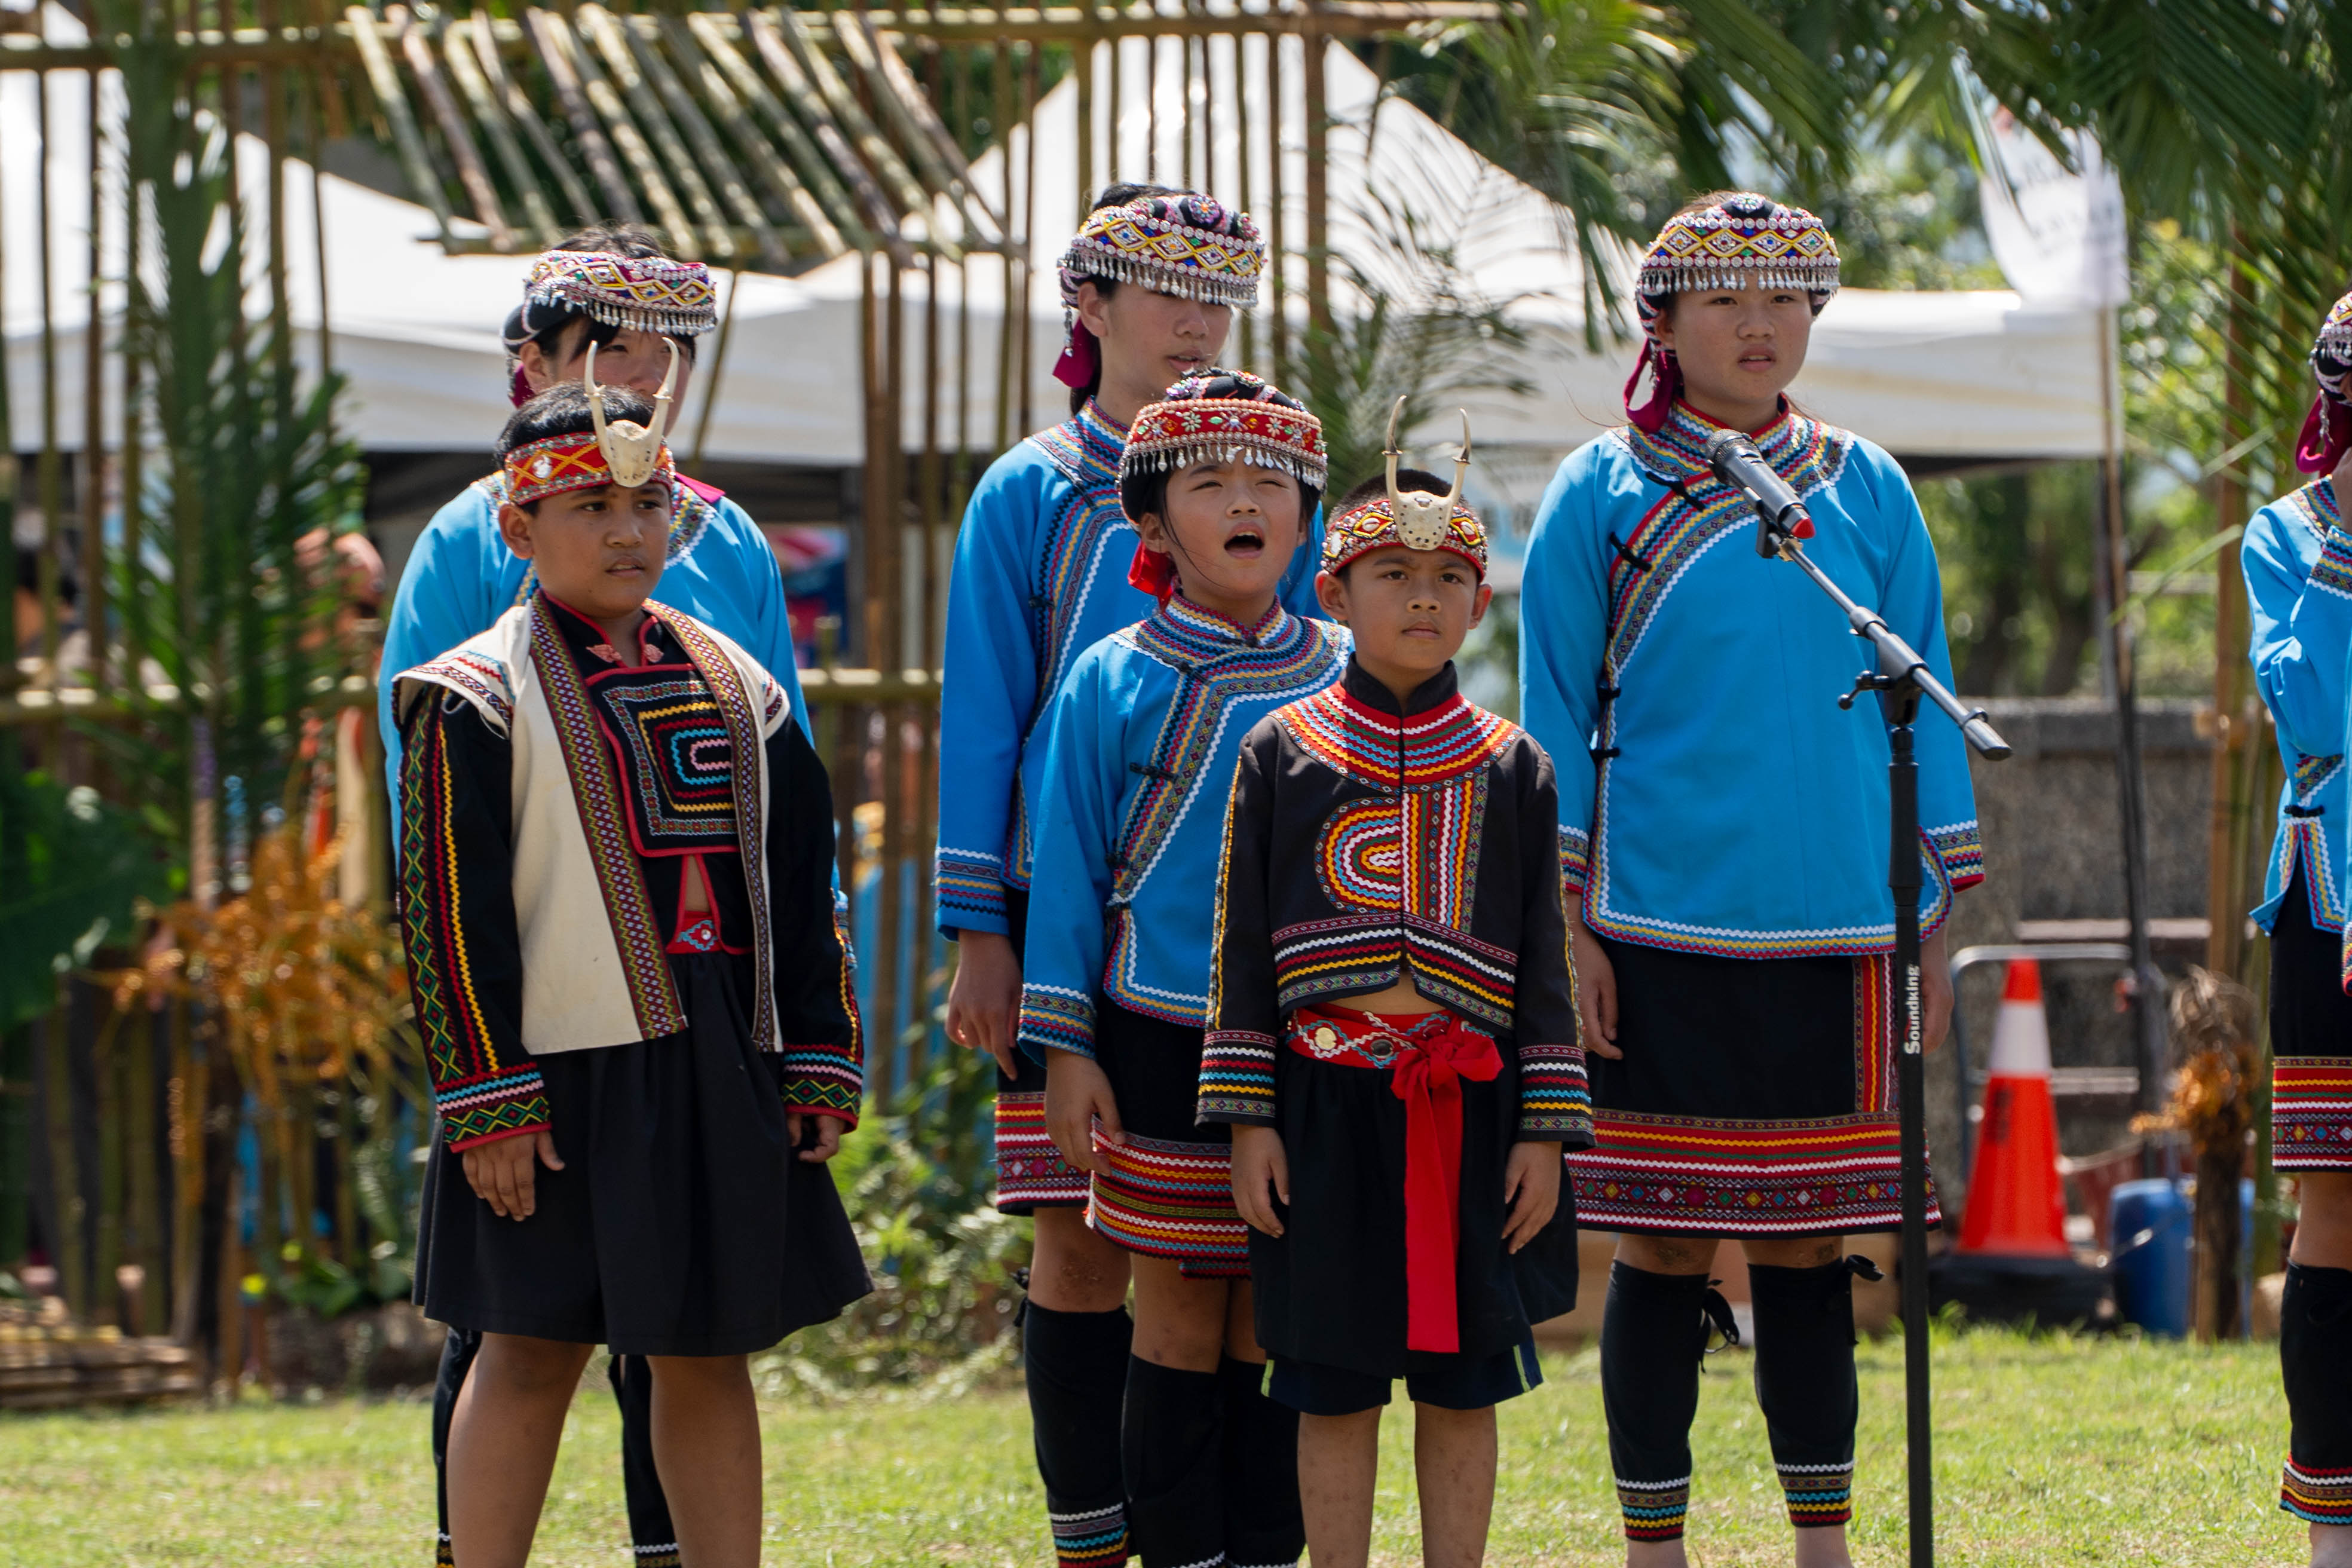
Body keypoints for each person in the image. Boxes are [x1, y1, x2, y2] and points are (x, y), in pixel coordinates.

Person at [1518, 192, 1981, 1568]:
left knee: (1809, 1246)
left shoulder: (1868, 486)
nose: (1760, 323)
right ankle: (1654, 1546)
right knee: (1660, 1246)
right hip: (1657, 923)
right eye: (1724, 298)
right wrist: (1569, 923)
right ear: (1661, 322)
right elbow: (1554, 714)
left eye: (1785, 298)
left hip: (1845, 924)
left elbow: (1926, 699)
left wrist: (1932, 920)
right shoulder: (1599, 490)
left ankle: (1821, 1544)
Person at [380, 223, 818, 1568]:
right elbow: (447, 907)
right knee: (524, 1344)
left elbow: (794, 879)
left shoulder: (742, 690)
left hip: (707, 1059)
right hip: (549, 1066)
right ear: (518, 527)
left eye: (648, 509)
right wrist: (486, 1094)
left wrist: (817, 1055)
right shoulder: (471, 694)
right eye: (592, 509)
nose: (629, 534)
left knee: (705, 1348)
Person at [934, 185, 1324, 1568]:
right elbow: (986, 710)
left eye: (1219, 294)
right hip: (1059, 923)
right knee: (1081, 1243)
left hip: (1246, 942)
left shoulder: (1272, 477)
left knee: (1236, 1258)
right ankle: (1090, 1538)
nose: (1197, 319)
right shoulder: (1032, 491)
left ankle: (1215, 1538)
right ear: (1087, 305)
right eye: (1167, 290)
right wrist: (981, 929)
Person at [1205, 446, 1592, 1568]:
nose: (1424, 599)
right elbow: (1240, 953)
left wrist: (1544, 1133)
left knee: (1465, 1383)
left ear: (1481, 603)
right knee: (1331, 1386)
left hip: (1473, 1113)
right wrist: (1250, 1121)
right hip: (1323, 1107)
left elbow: (1545, 965)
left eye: (1448, 580)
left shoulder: (1515, 766)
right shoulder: (1279, 752)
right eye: (1392, 576)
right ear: (1333, 594)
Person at [1018, 369, 1346, 1568]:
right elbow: (1066, 874)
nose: (1246, 502)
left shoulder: (1353, 670)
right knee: (1178, 1312)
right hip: (1161, 1035)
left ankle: (1262, 1554)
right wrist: (1066, 1052)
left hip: (1323, 1044)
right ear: (1151, 526)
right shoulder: (1111, 674)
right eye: (1210, 483)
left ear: (1307, 519)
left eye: (1271, 481)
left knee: (1277, 1317)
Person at [2257, 286, 2352, 1564]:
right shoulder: (2282, 538)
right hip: (2330, 899)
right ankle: (2335, 1523)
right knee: (2336, 1206)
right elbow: (2315, 716)